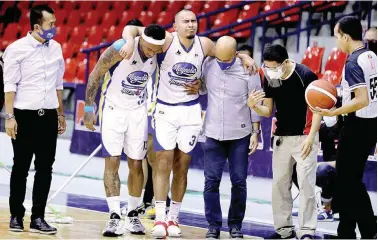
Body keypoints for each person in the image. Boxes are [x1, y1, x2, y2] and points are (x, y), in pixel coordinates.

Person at [121, 9, 256, 238]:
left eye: (194, 21)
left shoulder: (204, 44)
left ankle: (174, 217)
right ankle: (161, 219)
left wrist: (244, 56)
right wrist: (127, 41)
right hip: (165, 110)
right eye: (185, 21)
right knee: (162, 163)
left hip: (191, 112)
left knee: (181, 166)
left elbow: (228, 51)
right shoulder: (166, 40)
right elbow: (132, 29)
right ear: (175, 25)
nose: (191, 25)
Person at [83, 24, 166, 237]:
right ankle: (113, 216)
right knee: (112, 160)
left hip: (137, 110)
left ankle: (132, 215)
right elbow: (95, 74)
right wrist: (89, 108)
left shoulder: (157, 46)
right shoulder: (121, 47)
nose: (152, 54)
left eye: (157, 51)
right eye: (150, 49)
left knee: (137, 163)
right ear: (142, 40)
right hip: (112, 108)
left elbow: (137, 28)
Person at [248, 44, 322, 239]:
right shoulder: (270, 79)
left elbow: (317, 109)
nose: (270, 71)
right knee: (280, 185)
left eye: (274, 67)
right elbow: (268, 110)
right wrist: (254, 106)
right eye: (267, 67)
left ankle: (307, 230)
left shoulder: (305, 75)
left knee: (306, 184)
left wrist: (312, 137)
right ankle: (284, 229)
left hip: (305, 137)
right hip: (281, 138)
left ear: (286, 62)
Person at [3, 4, 66, 235]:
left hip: (48, 116)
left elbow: (59, 83)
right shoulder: (16, 49)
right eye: (51, 24)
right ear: (38, 26)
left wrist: (60, 113)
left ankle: (38, 217)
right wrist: (9, 117)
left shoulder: (56, 48)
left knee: (45, 169)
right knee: (20, 168)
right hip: (23, 116)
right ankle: (16, 216)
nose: (55, 28)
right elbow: (9, 86)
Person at [314, 16, 377, 239]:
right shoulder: (372, 55)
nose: (336, 41)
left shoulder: (352, 61)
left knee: (349, 182)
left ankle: (370, 229)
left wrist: (334, 112)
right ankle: (346, 232)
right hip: (372, 125)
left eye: (337, 36)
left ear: (346, 36)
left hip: (357, 125)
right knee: (350, 181)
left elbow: (361, 99)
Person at [201, 36, 261, 239]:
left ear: (236, 54)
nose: (222, 64)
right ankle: (213, 226)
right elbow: (201, 86)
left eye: (227, 61)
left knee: (239, 182)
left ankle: (235, 225)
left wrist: (256, 132)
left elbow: (257, 101)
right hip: (213, 133)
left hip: (240, 135)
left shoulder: (249, 70)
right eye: (219, 59)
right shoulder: (208, 64)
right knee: (211, 182)